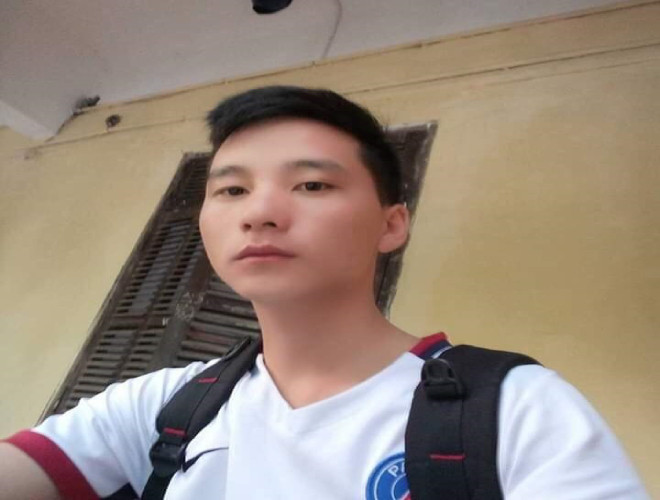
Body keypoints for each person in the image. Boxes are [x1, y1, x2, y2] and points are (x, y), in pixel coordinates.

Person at [0, 86, 649, 499]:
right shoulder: (165, 406)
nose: (260, 213)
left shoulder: (514, 408)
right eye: (231, 190)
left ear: (392, 224)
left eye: (312, 185)